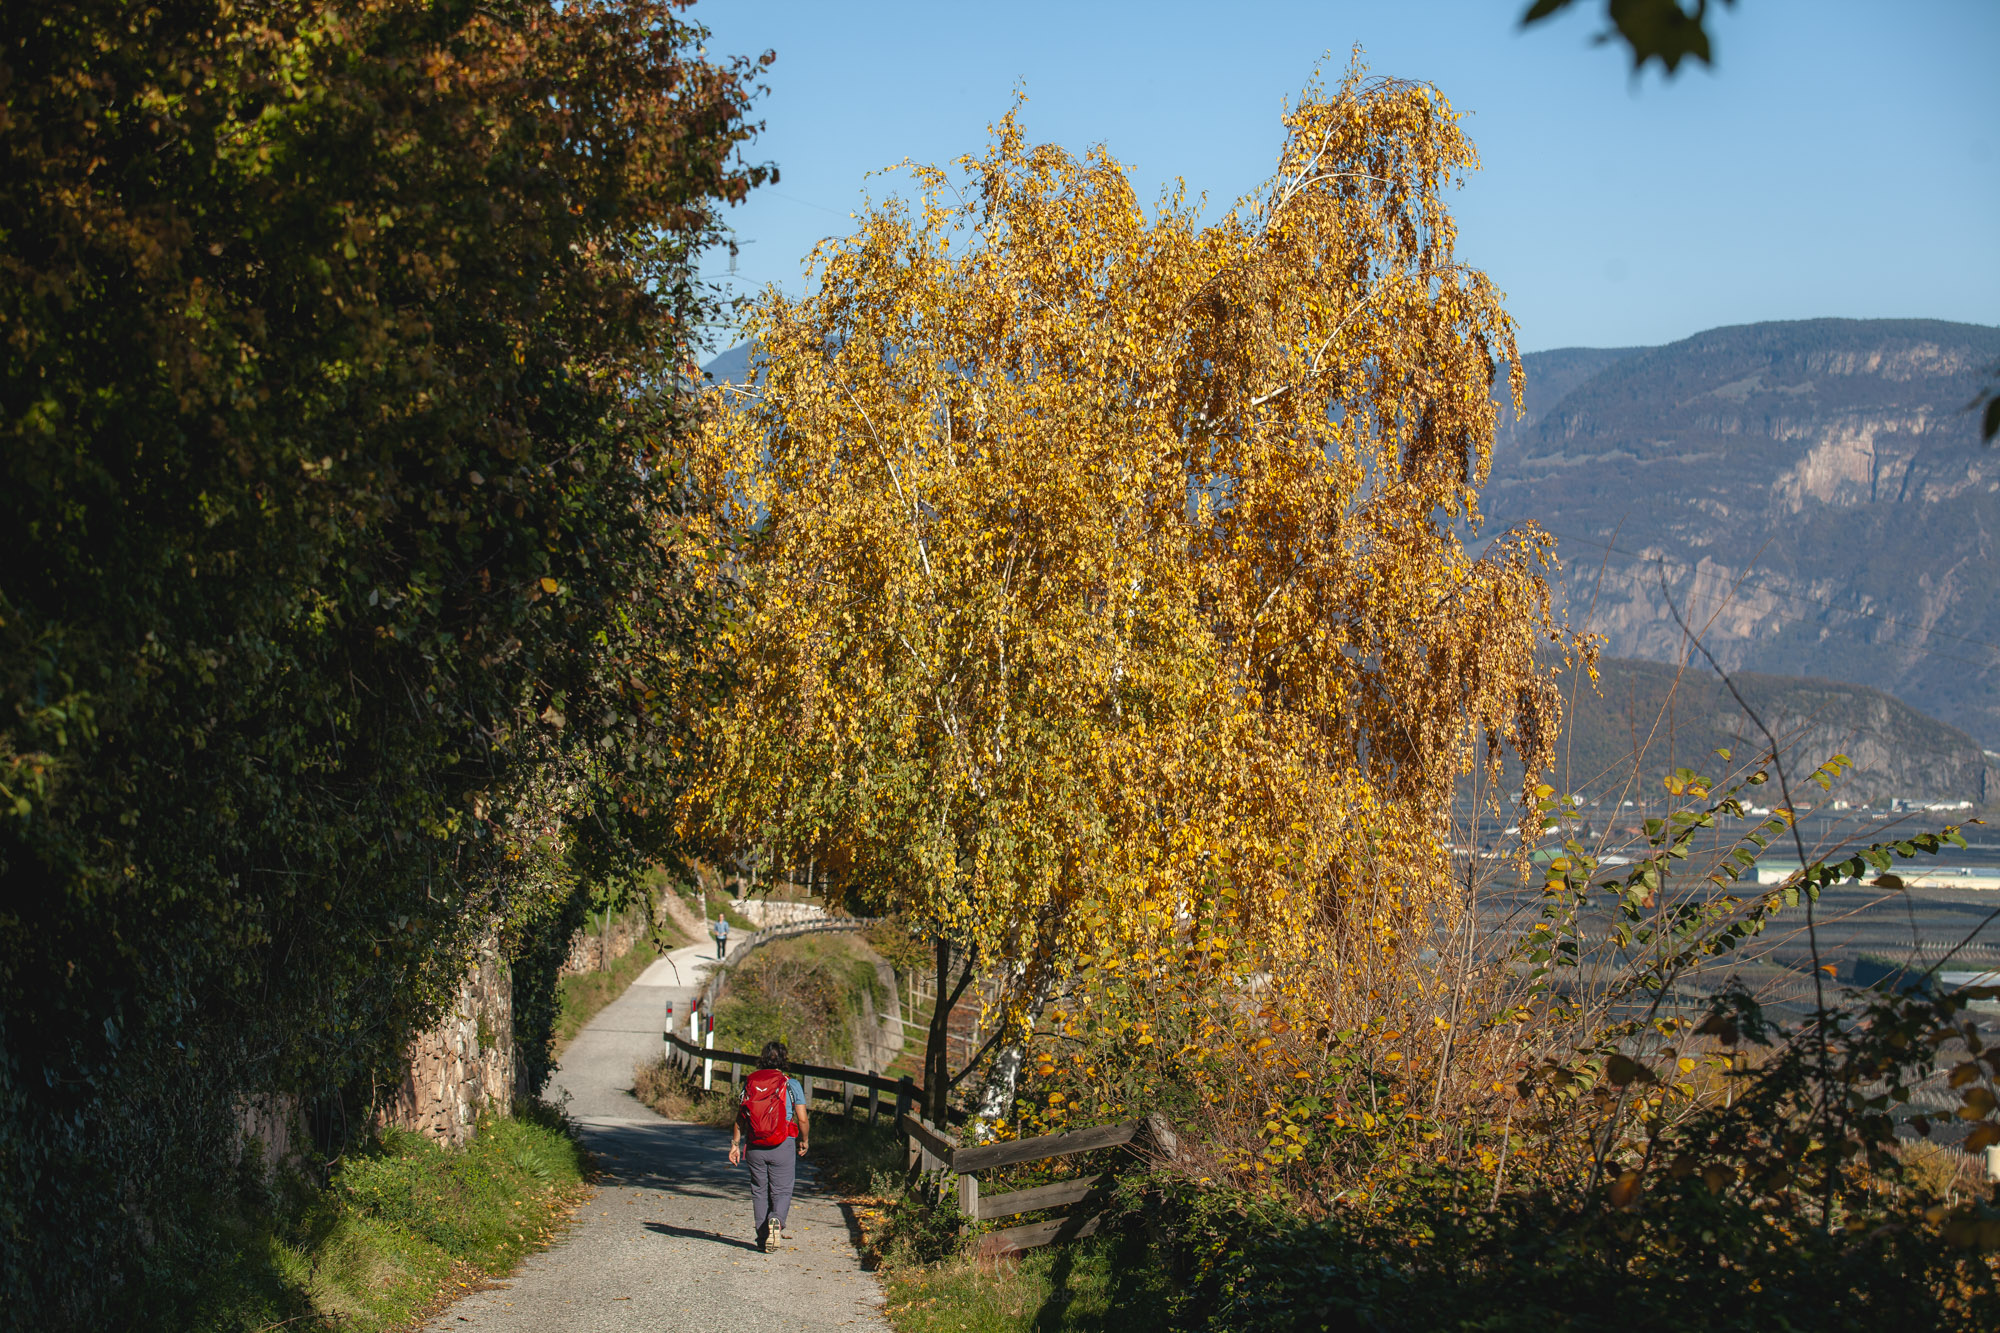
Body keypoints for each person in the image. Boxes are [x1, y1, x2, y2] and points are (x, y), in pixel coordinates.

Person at [728, 1039, 809, 1251]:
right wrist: (804, 1140)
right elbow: (802, 1119)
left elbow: (741, 1117)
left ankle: (763, 1237)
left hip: (755, 1145)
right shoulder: (791, 1084)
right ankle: (776, 1220)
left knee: (759, 1190)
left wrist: (735, 1144)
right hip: (782, 1143)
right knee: (782, 1189)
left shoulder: (750, 1082)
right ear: (784, 1059)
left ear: (762, 1058)